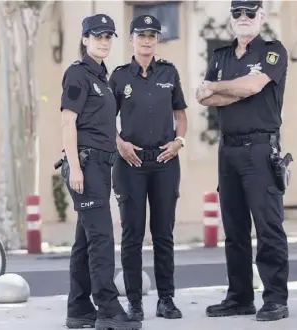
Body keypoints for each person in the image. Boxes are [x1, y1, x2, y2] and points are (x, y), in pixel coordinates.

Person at [196, 0, 290, 322]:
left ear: (261, 17)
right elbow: (206, 99)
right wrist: (232, 91)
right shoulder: (220, 56)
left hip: (260, 149)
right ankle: (239, 297)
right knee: (234, 230)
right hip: (228, 150)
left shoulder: (272, 52)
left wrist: (222, 88)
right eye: (238, 13)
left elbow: (252, 86)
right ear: (232, 18)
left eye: (251, 12)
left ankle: (275, 298)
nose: (244, 18)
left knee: (268, 228)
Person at [58, 14, 142, 330]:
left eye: (108, 36)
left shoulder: (101, 78)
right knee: (103, 238)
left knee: (86, 239)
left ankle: (78, 308)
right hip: (87, 164)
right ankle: (107, 307)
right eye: (97, 36)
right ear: (85, 39)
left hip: (100, 164)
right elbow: (68, 122)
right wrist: (76, 168)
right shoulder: (77, 74)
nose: (104, 41)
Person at [109, 14, 187, 321]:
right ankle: (135, 303)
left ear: (157, 39)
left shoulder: (169, 72)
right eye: (141, 35)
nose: (147, 40)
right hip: (131, 163)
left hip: (165, 162)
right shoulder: (118, 76)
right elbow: (104, 120)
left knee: (164, 234)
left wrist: (180, 139)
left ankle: (166, 299)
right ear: (131, 39)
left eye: (152, 35)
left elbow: (180, 113)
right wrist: (119, 144)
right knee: (132, 235)